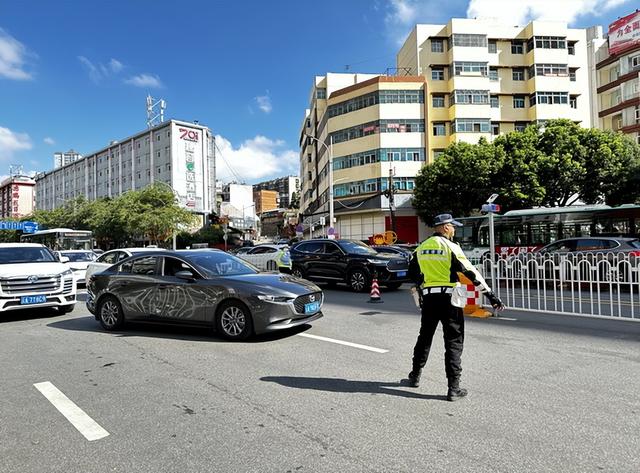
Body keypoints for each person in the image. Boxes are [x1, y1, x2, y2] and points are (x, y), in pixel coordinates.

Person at [406, 213, 504, 401]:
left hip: (429, 299)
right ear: (444, 227)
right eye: (452, 226)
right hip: (450, 299)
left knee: (424, 338)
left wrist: (422, 283)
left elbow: (412, 271)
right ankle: (453, 388)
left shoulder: (421, 248)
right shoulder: (451, 247)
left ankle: (415, 376)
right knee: (453, 341)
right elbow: (471, 272)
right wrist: (490, 295)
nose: (454, 229)